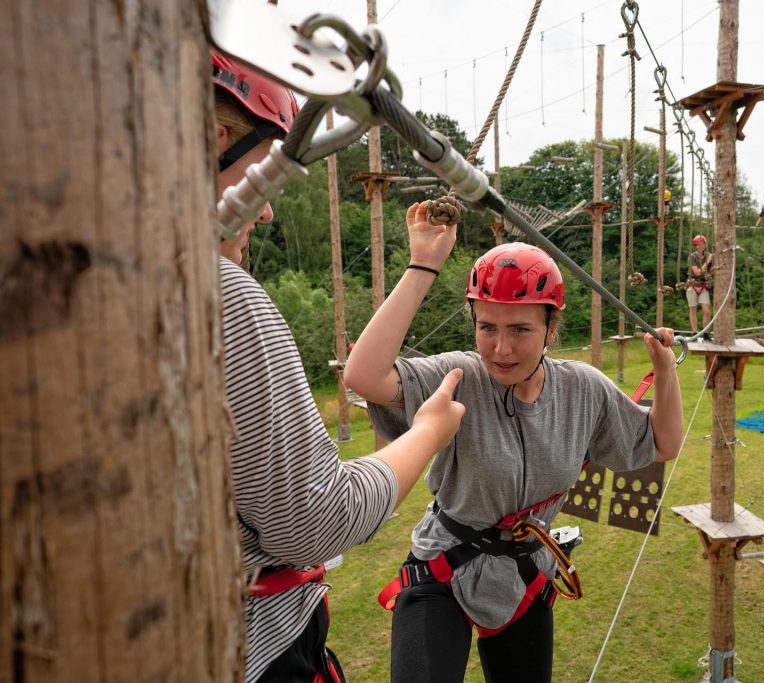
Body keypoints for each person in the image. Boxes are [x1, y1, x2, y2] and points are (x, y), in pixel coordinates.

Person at [211, 51, 466, 683]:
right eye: (262, 172)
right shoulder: (219, 295)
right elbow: (315, 519)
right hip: (258, 655)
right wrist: (428, 434)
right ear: (212, 139)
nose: (265, 208)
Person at [343, 223, 684, 683]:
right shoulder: (460, 375)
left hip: (525, 571)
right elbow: (362, 377)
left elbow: (663, 443)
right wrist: (423, 266)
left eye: (521, 329)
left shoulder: (582, 390)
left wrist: (666, 373)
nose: (501, 349)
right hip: (444, 566)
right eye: (487, 327)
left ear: (551, 329)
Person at [686, 234, 713, 336]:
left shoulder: (709, 255)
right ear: (696, 246)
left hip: (703, 285)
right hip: (693, 285)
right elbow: (697, 272)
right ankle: (694, 333)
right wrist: (708, 261)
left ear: (705, 245)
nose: (701, 246)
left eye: (702, 244)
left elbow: (711, 271)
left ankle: (706, 333)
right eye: (698, 245)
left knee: (706, 311)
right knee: (693, 310)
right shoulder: (692, 257)